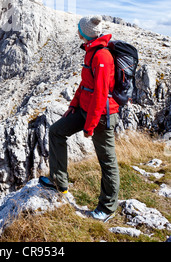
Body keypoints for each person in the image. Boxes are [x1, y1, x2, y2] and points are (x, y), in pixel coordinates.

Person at [39, 15, 120, 222]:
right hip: (84, 110)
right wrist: (73, 106)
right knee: (56, 131)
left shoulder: (102, 56)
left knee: (107, 161)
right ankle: (59, 181)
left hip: (102, 117)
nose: (76, 30)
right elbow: (85, 84)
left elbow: (101, 95)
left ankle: (107, 208)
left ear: (84, 32)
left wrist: (90, 126)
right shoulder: (90, 51)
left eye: (78, 28)